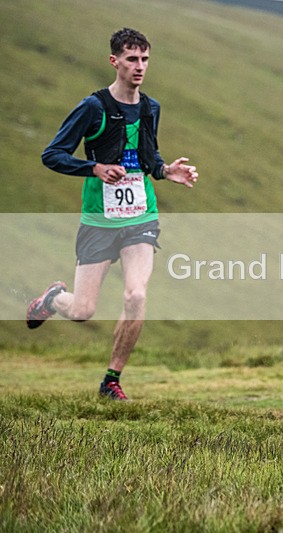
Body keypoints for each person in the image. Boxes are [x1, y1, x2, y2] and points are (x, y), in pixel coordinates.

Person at [27, 28, 198, 400]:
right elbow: (51, 154)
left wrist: (166, 171)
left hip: (141, 216)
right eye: (132, 59)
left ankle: (111, 381)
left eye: (145, 59)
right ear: (114, 61)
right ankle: (53, 299)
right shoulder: (94, 107)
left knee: (136, 296)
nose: (140, 67)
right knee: (83, 310)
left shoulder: (151, 108)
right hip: (99, 221)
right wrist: (95, 168)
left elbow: (149, 158)